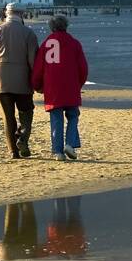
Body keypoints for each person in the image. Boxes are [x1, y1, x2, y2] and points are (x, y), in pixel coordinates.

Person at [0, 3, 39, 160]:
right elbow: (33, 61)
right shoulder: (28, 33)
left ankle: (13, 151)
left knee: (8, 116)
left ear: (6, 14)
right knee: (26, 112)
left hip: (1, 77)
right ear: (22, 14)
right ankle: (22, 139)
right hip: (22, 78)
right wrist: (37, 81)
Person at [31, 13, 88, 161]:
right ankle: (70, 144)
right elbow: (83, 68)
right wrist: (79, 84)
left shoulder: (46, 44)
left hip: (52, 87)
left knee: (56, 119)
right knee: (73, 116)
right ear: (66, 26)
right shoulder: (74, 43)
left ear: (51, 27)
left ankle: (58, 152)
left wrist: (37, 85)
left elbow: (38, 68)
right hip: (70, 86)